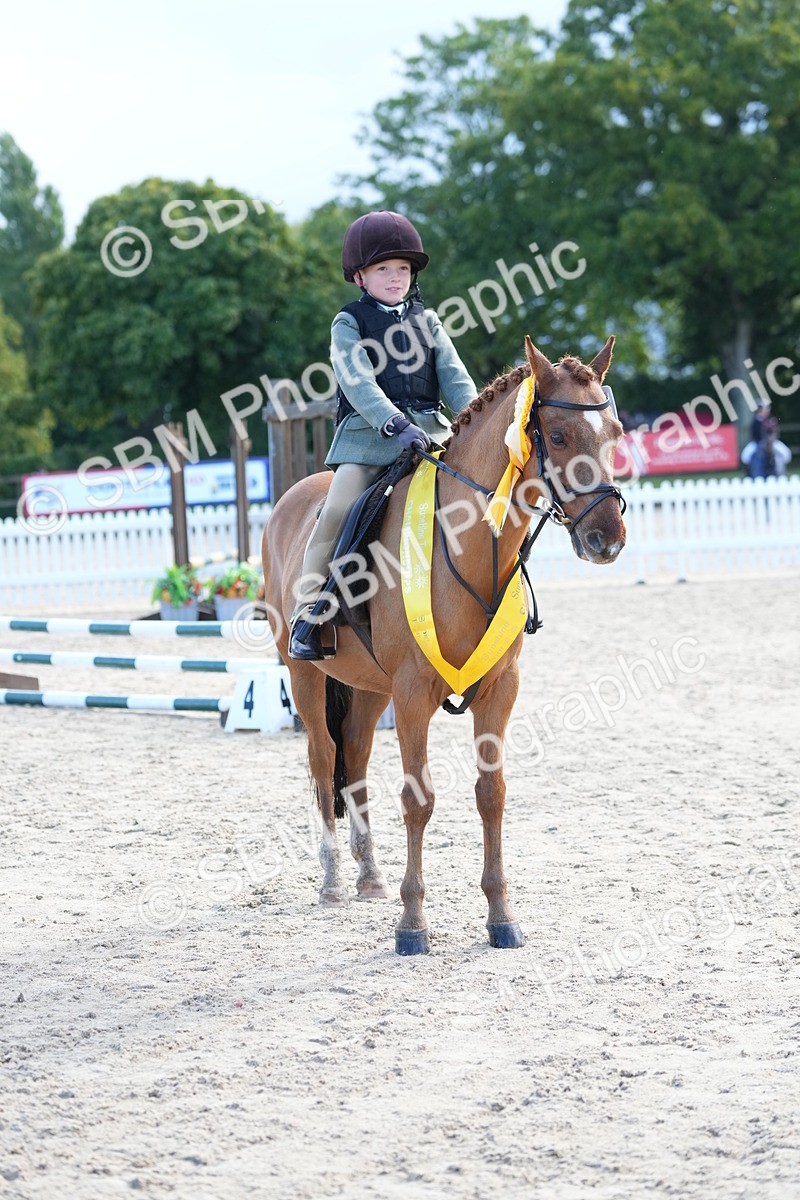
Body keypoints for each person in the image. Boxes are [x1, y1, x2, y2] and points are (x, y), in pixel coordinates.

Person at [288, 210, 477, 660]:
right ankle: (308, 613)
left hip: (432, 433)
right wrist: (394, 422)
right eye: (383, 269)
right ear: (360, 276)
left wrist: (475, 418)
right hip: (370, 438)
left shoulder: (429, 322)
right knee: (335, 513)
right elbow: (357, 381)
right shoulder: (347, 322)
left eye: (403, 269)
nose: (395, 278)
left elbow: (456, 379)